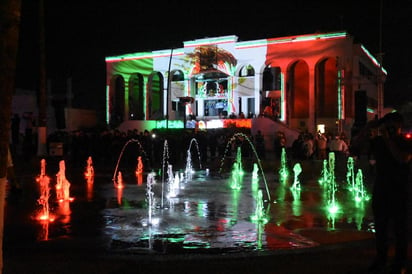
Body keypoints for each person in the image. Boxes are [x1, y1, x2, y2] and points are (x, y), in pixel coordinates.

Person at [366, 112, 412, 274]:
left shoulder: (405, 141)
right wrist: (368, 128)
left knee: (400, 229)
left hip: (400, 190)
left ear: (399, 126)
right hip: (381, 189)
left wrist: (388, 139)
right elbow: (356, 145)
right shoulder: (379, 141)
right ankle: (381, 260)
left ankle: (400, 263)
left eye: (393, 125)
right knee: (381, 227)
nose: (390, 128)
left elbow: (403, 159)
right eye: (387, 125)